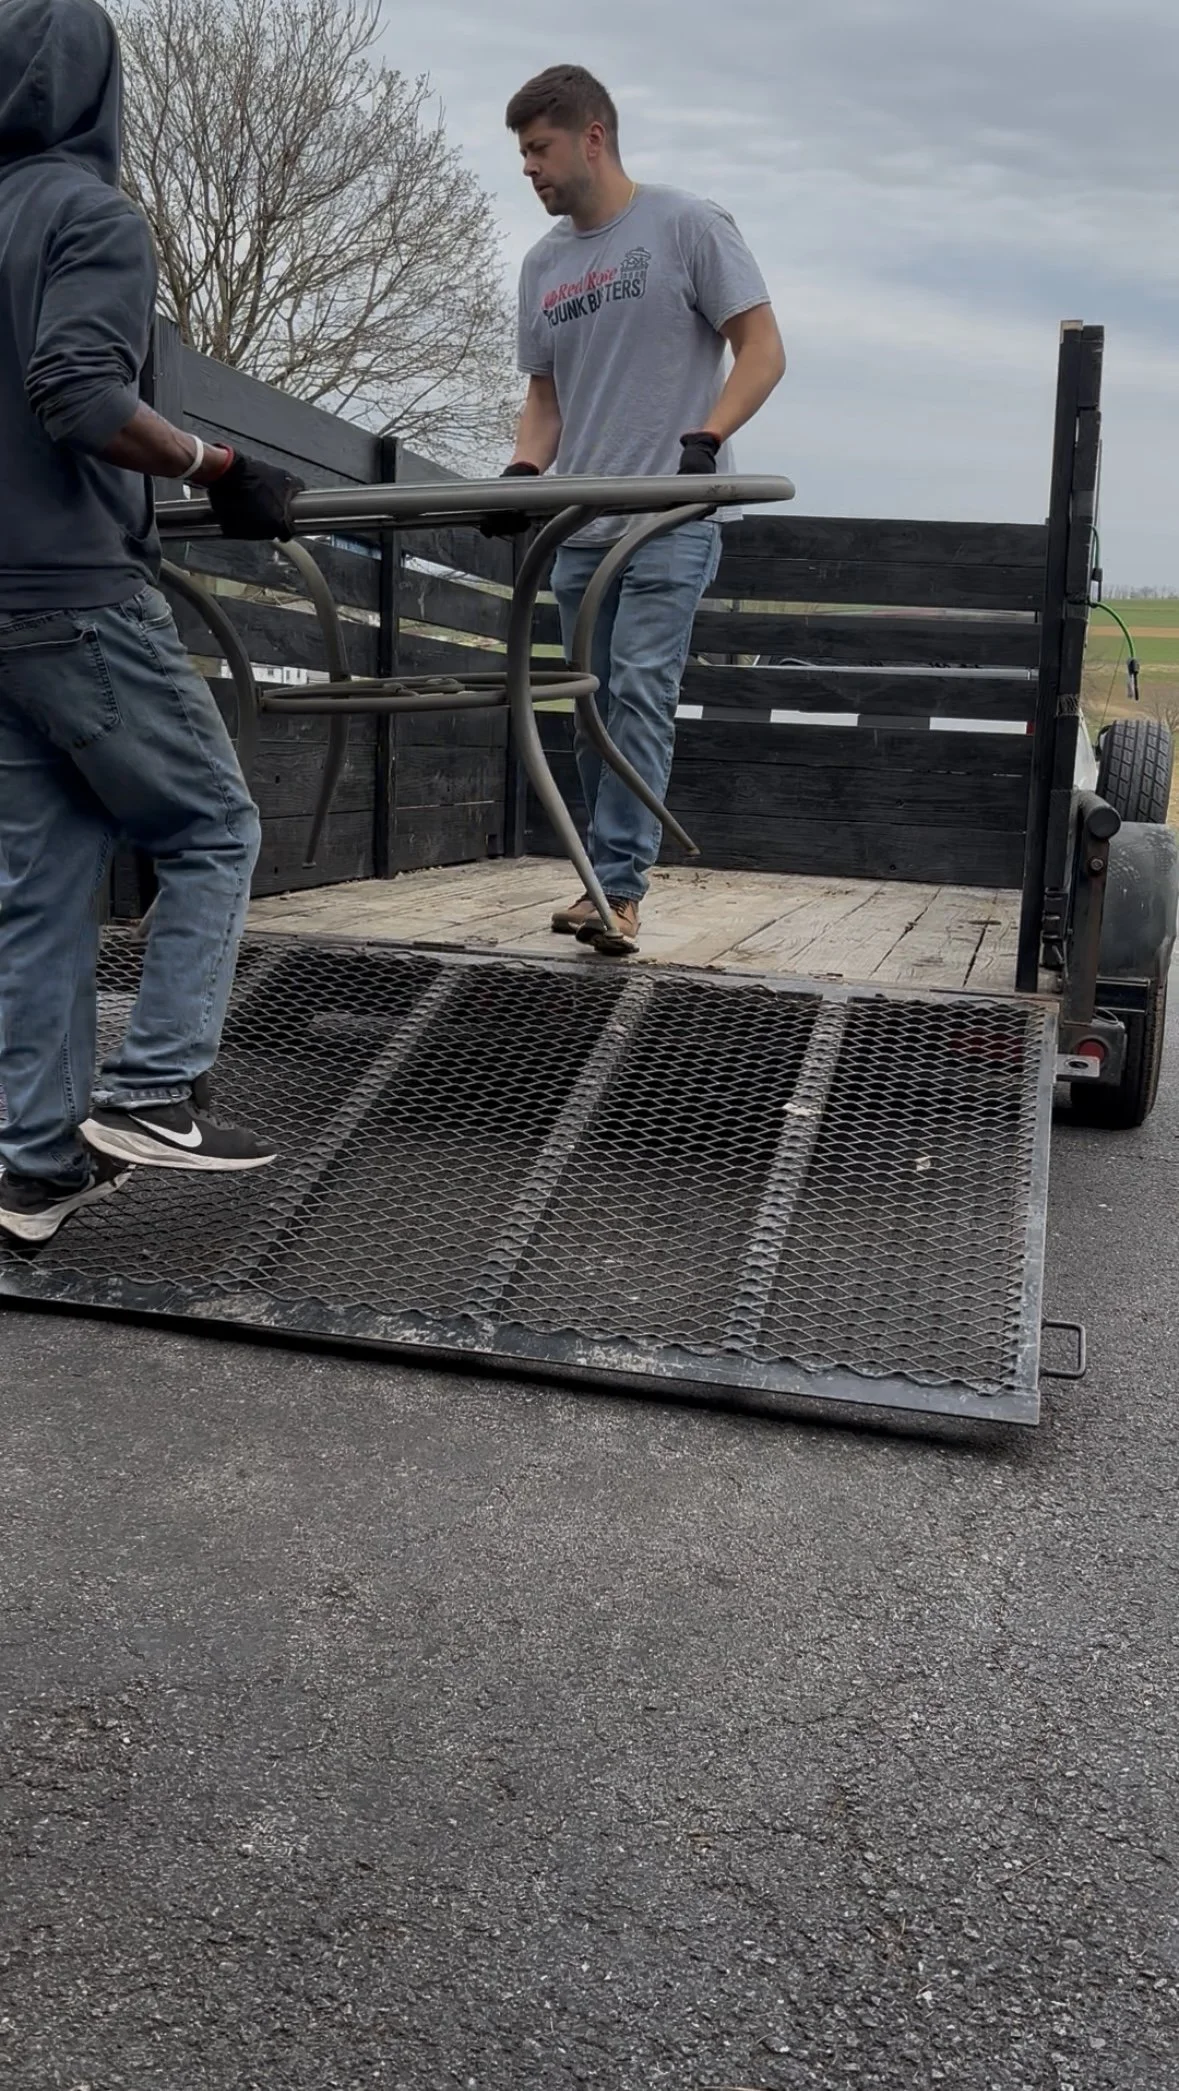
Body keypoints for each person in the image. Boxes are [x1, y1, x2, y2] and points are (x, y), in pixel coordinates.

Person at [0, 0, 304, 1245]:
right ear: (98, 90)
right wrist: (217, 466)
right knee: (216, 828)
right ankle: (154, 1089)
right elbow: (77, 392)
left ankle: (30, 1165)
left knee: (44, 882)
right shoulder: (91, 216)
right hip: (76, 596)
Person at [494, 63, 785, 955]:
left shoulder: (686, 226)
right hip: (580, 524)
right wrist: (520, 469)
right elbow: (544, 399)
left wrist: (707, 437)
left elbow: (762, 349)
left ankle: (616, 889)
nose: (529, 168)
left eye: (538, 149)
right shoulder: (543, 265)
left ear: (592, 136)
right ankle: (600, 880)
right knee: (587, 703)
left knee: (640, 695)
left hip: (669, 519)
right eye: (521, 154)